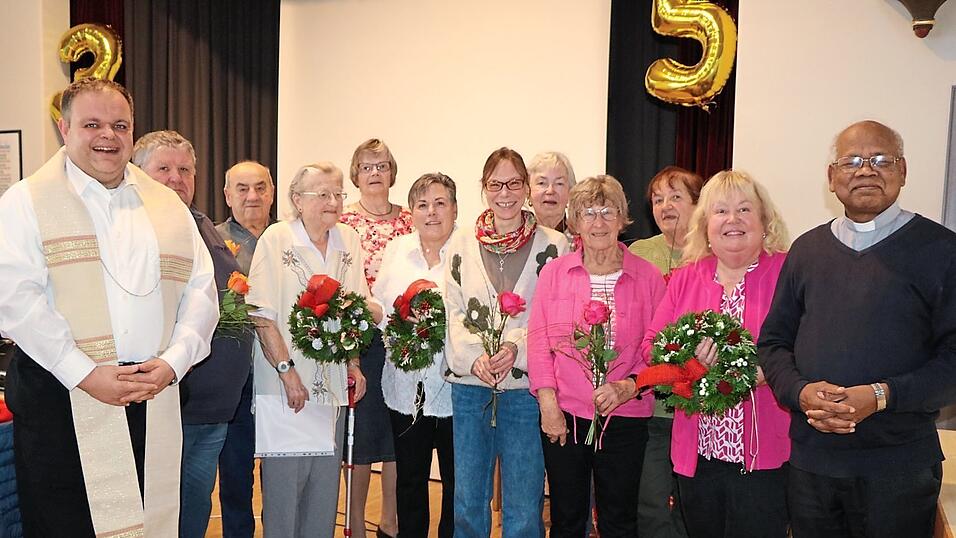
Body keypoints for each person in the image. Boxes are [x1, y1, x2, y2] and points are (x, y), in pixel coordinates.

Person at [0, 78, 218, 537]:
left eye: (120, 125)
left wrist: (174, 362)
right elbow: (17, 300)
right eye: (92, 124)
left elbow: (201, 290)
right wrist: (84, 372)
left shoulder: (166, 205)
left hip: (149, 392)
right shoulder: (26, 201)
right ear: (64, 128)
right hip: (61, 396)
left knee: (149, 519)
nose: (108, 136)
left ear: (133, 132)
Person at [759, 120, 956, 538]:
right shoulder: (807, 251)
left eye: (881, 160)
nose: (866, 170)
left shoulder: (942, 250)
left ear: (903, 171)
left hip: (899, 467)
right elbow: (774, 343)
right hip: (813, 465)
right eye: (851, 161)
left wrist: (882, 396)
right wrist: (800, 392)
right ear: (832, 178)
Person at [642, 170, 791, 537]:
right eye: (720, 211)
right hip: (699, 454)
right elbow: (652, 348)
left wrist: (769, 371)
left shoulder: (788, 271)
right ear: (705, 223)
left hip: (767, 454)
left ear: (764, 219)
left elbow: (812, 344)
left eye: (744, 209)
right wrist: (689, 368)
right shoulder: (687, 276)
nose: (733, 220)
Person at [246, 162, 382, 537]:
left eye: (338, 194)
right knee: (284, 493)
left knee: (323, 494)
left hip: (333, 386)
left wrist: (353, 364)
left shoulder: (348, 240)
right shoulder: (277, 239)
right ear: (297, 200)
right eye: (323, 194)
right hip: (285, 386)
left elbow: (356, 307)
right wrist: (287, 372)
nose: (333, 202)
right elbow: (260, 313)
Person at [528, 175, 665, 537]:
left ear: (623, 219)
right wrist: (548, 404)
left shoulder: (649, 277)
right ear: (574, 221)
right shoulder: (555, 273)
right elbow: (539, 340)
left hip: (626, 415)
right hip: (566, 417)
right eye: (588, 212)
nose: (599, 222)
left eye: (608, 211)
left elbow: (658, 346)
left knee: (619, 520)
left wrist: (627, 387)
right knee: (567, 519)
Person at [132, 130, 253, 538]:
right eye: (163, 168)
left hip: (213, 409)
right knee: (158, 510)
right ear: (136, 171)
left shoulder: (203, 227)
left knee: (195, 507)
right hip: (167, 403)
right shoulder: (132, 228)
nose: (176, 178)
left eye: (185, 169)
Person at [443, 147, 569, 537]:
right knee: (468, 499)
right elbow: (454, 308)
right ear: (484, 189)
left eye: (514, 183)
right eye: (496, 184)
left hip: (524, 391)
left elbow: (550, 315)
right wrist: (477, 356)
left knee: (523, 501)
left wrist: (515, 346)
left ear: (526, 188)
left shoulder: (554, 245)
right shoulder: (460, 242)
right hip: (470, 389)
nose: (505, 193)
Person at [372, 173, 458, 538]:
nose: (432, 212)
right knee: (409, 479)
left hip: (457, 388)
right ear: (411, 213)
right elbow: (380, 302)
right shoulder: (396, 251)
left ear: (455, 208)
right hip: (406, 388)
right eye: (423, 205)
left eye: (440, 203)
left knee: (458, 483)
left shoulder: (470, 250)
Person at [340, 138, 412, 538]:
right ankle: (354, 523)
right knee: (364, 436)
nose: (374, 174)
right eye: (366, 167)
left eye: (382, 166)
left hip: (402, 336)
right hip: (361, 339)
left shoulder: (410, 219)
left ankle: (390, 521)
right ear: (356, 174)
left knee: (398, 433)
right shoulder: (344, 221)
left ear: (392, 172)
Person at [629, 165, 703, 538]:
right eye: (658, 199)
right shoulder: (639, 253)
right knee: (651, 504)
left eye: (676, 196)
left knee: (696, 507)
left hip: (702, 411)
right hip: (653, 408)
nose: (665, 205)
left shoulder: (714, 251)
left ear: (698, 203)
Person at [216, 159, 276, 538]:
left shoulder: (289, 238)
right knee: (236, 476)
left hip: (282, 377)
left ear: (272, 192)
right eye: (242, 188)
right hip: (234, 380)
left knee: (280, 472)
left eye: (260, 187)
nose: (252, 196)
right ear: (227, 195)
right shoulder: (212, 240)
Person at [527, 151, 576, 240]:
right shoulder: (518, 240)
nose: (550, 191)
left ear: (570, 191)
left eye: (559, 183)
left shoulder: (582, 240)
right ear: (528, 191)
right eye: (542, 183)